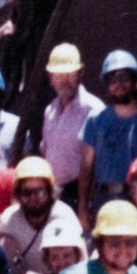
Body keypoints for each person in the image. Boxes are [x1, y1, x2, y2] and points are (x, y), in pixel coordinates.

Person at [78, 49, 137, 232]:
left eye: (125, 77)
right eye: (112, 79)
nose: (119, 84)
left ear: (136, 81)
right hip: (103, 200)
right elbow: (86, 168)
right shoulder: (95, 120)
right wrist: (82, 207)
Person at [0, 156, 82, 274]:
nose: (33, 198)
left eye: (39, 191)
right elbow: (10, 265)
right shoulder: (10, 218)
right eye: (27, 192)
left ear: (50, 191)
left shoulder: (64, 215)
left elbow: (81, 260)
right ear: (18, 193)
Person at [38, 42, 104, 211]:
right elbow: (45, 151)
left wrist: (84, 206)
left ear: (80, 74)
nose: (63, 81)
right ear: (51, 79)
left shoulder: (94, 110)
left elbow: (98, 165)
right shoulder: (50, 111)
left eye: (69, 74)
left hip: (78, 196)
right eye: (58, 75)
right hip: (52, 193)